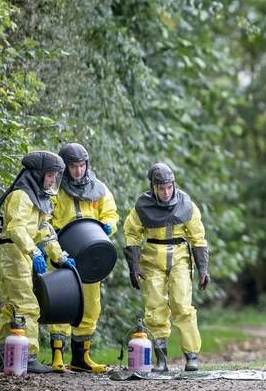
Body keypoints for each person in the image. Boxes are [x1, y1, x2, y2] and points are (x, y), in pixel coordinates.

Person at [0, 150, 73, 373]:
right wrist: (33, 252)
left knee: (12, 308)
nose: (54, 179)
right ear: (38, 174)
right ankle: (30, 356)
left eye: (56, 175)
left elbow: (45, 230)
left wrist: (59, 256)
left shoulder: (39, 196)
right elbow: (16, 228)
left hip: (19, 253)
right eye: (50, 175)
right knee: (27, 306)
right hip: (12, 253)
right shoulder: (21, 196)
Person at [122, 163, 210, 372]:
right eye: (161, 188)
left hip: (179, 258)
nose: (166, 192)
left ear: (174, 184)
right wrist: (134, 266)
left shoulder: (186, 204)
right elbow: (131, 234)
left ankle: (192, 356)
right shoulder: (142, 207)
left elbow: (198, 237)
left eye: (169, 187)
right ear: (153, 187)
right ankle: (161, 360)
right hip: (152, 260)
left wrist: (203, 268)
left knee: (182, 305)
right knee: (155, 308)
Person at [47, 143, 120, 373]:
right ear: (64, 168)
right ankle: (57, 356)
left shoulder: (98, 188)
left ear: (87, 164)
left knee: (91, 305)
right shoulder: (54, 191)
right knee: (61, 301)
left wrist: (109, 226)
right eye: (73, 166)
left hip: (90, 253)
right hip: (63, 250)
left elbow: (110, 213)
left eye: (81, 165)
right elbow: (45, 219)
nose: (78, 171)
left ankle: (81, 358)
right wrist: (52, 248)